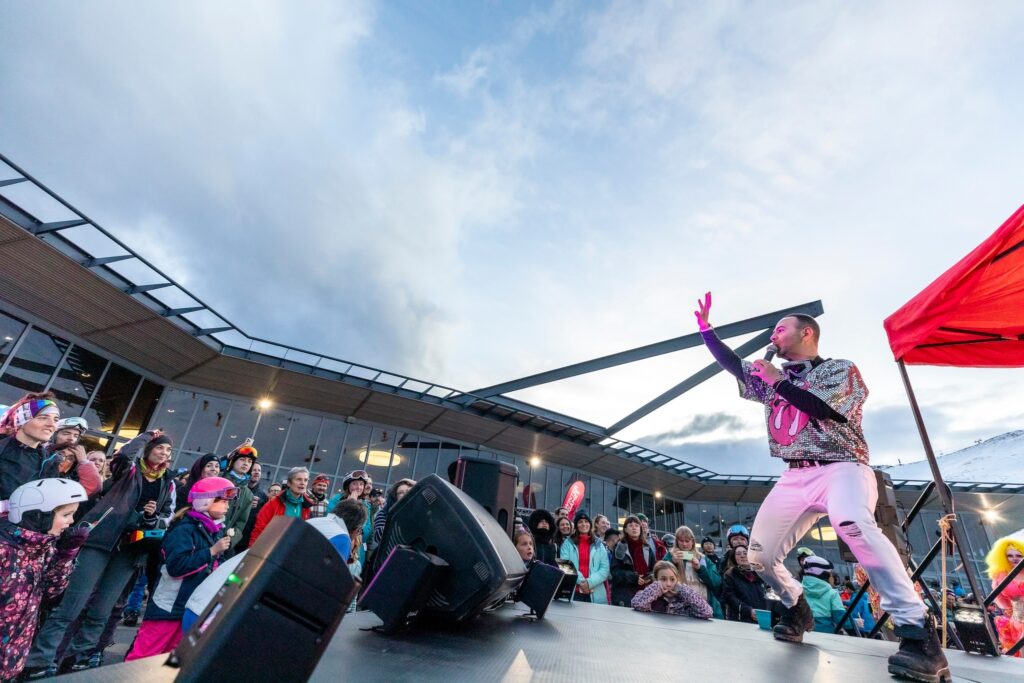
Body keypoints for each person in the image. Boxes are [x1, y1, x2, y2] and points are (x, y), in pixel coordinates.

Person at [694, 293, 945, 680]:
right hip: (795, 474)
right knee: (759, 557)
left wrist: (776, 380)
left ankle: (916, 630)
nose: (774, 336)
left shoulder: (840, 370)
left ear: (806, 333)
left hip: (842, 467)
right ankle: (796, 605)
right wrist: (708, 332)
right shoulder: (773, 380)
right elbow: (735, 367)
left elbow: (823, 410)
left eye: (781, 329)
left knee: (852, 523)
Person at [25, 431, 177, 676]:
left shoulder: (166, 482)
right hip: (100, 541)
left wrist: (151, 516)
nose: (164, 453)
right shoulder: (127, 470)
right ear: (148, 448)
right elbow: (123, 454)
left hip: (130, 550)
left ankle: (75, 659)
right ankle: (39, 660)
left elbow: (165, 515)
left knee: (101, 611)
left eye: (169, 451)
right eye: (160, 447)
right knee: (70, 605)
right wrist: (146, 435)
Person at [124, 477, 236, 660]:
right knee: (144, 656)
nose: (227, 506)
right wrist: (211, 551)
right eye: (222, 501)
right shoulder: (184, 529)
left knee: (172, 660)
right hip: (168, 607)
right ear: (205, 501)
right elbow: (177, 567)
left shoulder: (213, 530)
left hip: (189, 607)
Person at [0, 479, 88, 682]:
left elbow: (52, 590)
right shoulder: (5, 550)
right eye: (66, 515)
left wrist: (66, 556)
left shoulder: (42, 548)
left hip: (13, 655)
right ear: (39, 516)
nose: (71, 521)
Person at [0, 392, 61, 502]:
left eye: (56, 419)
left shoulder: (51, 461)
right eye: (43, 418)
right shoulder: (2, 450)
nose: (51, 424)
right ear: (21, 420)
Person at [667, 525, 723, 619]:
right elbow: (659, 577)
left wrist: (700, 568)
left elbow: (716, 583)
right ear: (677, 541)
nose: (684, 544)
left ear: (692, 541)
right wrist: (672, 562)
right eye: (681, 541)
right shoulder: (670, 556)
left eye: (687, 541)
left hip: (706, 607)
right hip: (680, 610)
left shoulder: (703, 558)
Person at [249, 467, 313, 544]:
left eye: (305, 480)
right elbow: (259, 530)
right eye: (299, 479)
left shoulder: (307, 507)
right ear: (289, 483)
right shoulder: (273, 503)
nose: (302, 483)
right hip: (271, 548)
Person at [986, 530, 1024, 657]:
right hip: (1017, 622)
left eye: (1019, 555)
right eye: (1010, 555)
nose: (1014, 559)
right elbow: (1003, 602)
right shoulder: (1001, 576)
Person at [631, 561, 713, 619]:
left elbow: (707, 612)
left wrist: (683, 589)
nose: (668, 584)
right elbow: (637, 604)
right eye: (663, 579)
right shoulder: (649, 598)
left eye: (672, 579)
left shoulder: (685, 601)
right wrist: (656, 588)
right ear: (656, 580)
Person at [558, 511, 610, 604]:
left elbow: (605, 569)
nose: (583, 524)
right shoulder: (567, 543)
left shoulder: (599, 544)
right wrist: (582, 582)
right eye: (580, 522)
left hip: (595, 592)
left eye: (586, 521)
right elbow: (565, 565)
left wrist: (589, 583)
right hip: (573, 591)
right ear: (576, 525)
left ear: (590, 524)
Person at [44, 417, 102, 497]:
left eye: (75, 436)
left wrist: (84, 462)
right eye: (66, 433)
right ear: (54, 435)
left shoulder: (70, 478)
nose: (71, 438)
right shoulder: (40, 453)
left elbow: (93, 487)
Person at [610, 515, 657, 607]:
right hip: (625, 594)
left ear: (640, 528)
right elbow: (615, 572)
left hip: (645, 593)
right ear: (625, 530)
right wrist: (633, 577)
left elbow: (654, 570)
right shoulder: (620, 547)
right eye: (631, 525)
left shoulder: (647, 548)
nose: (634, 528)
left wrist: (648, 578)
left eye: (636, 525)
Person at [221, 445, 257, 554]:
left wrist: (229, 541)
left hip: (224, 544)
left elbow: (241, 523)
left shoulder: (248, 494)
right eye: (242, 459)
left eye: (249, 461)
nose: (246, 463)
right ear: (233, 461)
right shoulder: (219, 479)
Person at [721, 545, 768, 623]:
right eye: (738, 554)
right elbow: (729, 597)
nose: (742, 556)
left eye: (745, 553)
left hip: (761, 617)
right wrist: (748, 611)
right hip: (740, 619)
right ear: (734, 558)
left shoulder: (760, 573)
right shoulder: (730, 574)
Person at [801, 556, 847, 633]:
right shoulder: (832, 593)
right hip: (826, 636)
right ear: (825, 575)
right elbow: (840, 619)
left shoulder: (798, 590)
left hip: (803, 634)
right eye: (830, 574)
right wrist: (856, 624)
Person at [372, 478, 415, 547]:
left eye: (408, 491)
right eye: (400, 492)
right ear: (395, 497)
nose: (404, 494)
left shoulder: (420, 513)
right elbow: (378, 537)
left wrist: (415, 484)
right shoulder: (384, 513)